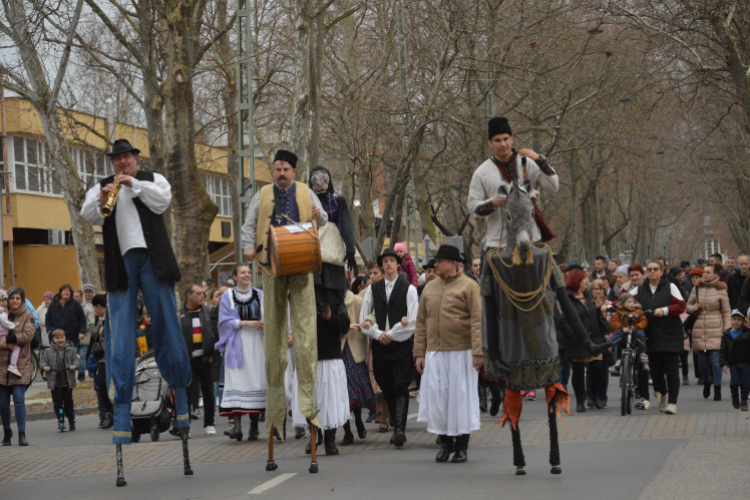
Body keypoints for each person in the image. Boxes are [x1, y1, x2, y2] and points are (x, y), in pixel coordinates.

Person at [80, 138, 192, 485]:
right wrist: (103, 198)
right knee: (123, 337)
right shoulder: (101, 187)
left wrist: (135, 184)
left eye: (126, 158)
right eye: (117, 160)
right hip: (121, 265)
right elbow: (87, 216)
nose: (122, 164)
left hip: (154, 262)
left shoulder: (152, 178)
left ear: (134, 159)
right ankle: (123, 416)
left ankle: (181, 403)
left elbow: (163, 203)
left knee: (166, 328)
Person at [241, 149, 327, 440]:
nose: (280, 173)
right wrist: (248, 247)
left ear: (294, 172)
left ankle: (307, 406)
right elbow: (249, 224)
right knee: (275, 336)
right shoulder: (263, 194)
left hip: (302, 266)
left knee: (305, 338)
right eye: (277, 168)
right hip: (271, 266)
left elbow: (324, 219)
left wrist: (319, 215)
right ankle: (276, 413)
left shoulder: (306, 192)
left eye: (285, 169)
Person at [415, 245, 482, 463]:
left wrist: (478, 352)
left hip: (461, 352)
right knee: (438, 399)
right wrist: (419, 353)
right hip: (435, 352)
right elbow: (421, 322)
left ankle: (461, 446)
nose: (435, 265)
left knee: (460, 400)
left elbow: (477, 321)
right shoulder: (429, 288)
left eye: (440, 261)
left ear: (453, 263)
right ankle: (444, 444)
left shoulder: (470, 286)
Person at [467, 117, 559, 251]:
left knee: (553, 271)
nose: (503, 144)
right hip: (498, 244)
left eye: (505, 139)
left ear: (512, 139)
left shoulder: (529, 163)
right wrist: (492, 203)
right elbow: (472, 207)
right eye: (497, 140)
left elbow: (553, 187)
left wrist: (540, 160)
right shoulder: (481, 173)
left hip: (532, 241)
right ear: (490, 143)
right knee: (484, 273)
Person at [360, 248, 418, 448]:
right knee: (386, 385)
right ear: (382, 266)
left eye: (392, 260)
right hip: (380, 347)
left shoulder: (408, 289)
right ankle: (396, 425)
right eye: (385, 261)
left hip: (401, 345)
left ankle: (400, 429)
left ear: (397, 264)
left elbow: (412, 322)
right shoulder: (372, 289)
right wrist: (378, 334)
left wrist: (391, 334)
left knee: (401, 385)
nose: (388, 264)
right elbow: (363, 319)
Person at [216, 265, 266, 442]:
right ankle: (237, 427)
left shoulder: (260, 295)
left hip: (256, 343)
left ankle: (254, 427)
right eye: (242, 272)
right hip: (236, 343)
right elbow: (223, 322)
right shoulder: (228, 296)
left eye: (248, 272)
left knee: (255, 380)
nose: (247, 275)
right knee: (236, 381)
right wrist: (245, 323)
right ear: (235, 277)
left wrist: (264, 323)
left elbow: (268, 315)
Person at [632, 261, 686, 415]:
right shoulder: (639, 290)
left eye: (655, 269)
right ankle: (662, 393)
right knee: (655, 372)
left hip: (671, 333)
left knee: (672, 370)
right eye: (649, 269)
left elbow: (681, 306)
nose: (652, 272)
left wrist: (665, 310)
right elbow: (625, 300)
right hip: (651, 335)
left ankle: (672, 403)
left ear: (662, 272)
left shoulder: (670, 286)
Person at [686, 262, 731, 401]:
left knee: (716, 361)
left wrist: (727, 330)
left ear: (716, 275)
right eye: (704, 272)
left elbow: (726, 312)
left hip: (716, 326)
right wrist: (692, 308)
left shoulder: (721, 290)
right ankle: (706, 383)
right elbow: (688, 305)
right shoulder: (697, 288)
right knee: (703, 363)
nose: (704, 274)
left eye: (708, 272)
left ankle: (717, 388)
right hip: (699, 326)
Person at [565, 270, 609, 412]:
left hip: (595, 338)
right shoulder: (567, 298)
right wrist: (574, 336)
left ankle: (595, 397)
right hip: (578, 340)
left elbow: (594, 315)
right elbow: (563, 321)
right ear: (577, 282)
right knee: (578, 373)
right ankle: (580, 400)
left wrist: (596, 308)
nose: (587, 282)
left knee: (597, 369)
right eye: (584, 280)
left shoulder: (589, 295)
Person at [339, 285, 376, 446]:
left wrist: (368, 321)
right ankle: (347, 431)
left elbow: (372, 313)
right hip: (337, 352)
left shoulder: (357, 300)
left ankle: (359, 421)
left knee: (356, 388)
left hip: (355, 352)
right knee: (342, 392)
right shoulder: (330, 302)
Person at [0, 287, 36, 446]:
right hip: (1, 367)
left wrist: (9, 340)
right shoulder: (2, 315)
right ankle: (7, 432)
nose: (14, 301)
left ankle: (22, 433)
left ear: (22, 300)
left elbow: (28, 335)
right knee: (2, 403)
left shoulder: (28, 317)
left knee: (19, 399)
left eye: (17, 298)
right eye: (12, 298)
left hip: (19, 366)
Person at [180, 284, 217, 435]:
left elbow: (215, 333)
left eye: (203, 293)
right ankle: (185, 426)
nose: (203, 296)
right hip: (188, 360)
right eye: (199, 293)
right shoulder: (180, 314)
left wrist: (213, 354)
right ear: (189, 296)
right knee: (189, 392)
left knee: (208, 392)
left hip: (205, 359)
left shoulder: (209, 312)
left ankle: (209, 423)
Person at [40, 329, 81, 432]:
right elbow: (42, 361)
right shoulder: (48, 351)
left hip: (67, 381)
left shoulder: (71, 350)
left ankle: (71, 420)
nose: (60, 340)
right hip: (55, 381)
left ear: (65, 338)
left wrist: (74, 366)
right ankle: (60, 419)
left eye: (62, 338)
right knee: (57, 403)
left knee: (68, 402)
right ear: (53, 340)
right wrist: (45, 367)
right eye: (57, 338)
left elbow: (77, 360)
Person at [610, 294, 650, 372]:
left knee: (641, 335)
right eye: (629, 302)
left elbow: (644, 321)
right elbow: (614, 322)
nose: (632, 303)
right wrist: (622, 327)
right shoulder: (619, 311)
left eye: (633, 302)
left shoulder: (638, 311)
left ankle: (643, 355)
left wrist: (636, 327)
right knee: (618, 334)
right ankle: (611, 347)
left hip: (634, 331)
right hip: (624, 331)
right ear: (623, 303)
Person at [90, 294, 113, 429]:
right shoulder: (98, 319)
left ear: (99, 306)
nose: (94, 311)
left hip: (113, 356)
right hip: (102, 357)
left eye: (94, 308)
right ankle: (110, 413)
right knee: (102, 385)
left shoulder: (111, 317)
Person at [720, 310, 750, 411]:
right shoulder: (727, 335)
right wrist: (723, 363)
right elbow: (723, 350)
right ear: (731, 320)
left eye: (739, 319)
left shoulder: (747, 333)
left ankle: (744, 401)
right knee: (734, 383)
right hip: (733, 363)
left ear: (743, 321)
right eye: (734, 319)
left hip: (745, 362)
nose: (736, 322)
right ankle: (735, 396)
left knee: (745, 383)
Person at [45, 284, 86, 354]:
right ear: (60, 293)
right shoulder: (54, 304)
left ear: (71, 293)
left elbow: (82, 319)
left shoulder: (75, 304)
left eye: (68, 291)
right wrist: (48, 329)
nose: (66, 292)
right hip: (56, 338)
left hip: (71, 338)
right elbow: (47, 317)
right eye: (64, 291)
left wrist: (82, 332)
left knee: (71, 359)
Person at [74, 288, 96, 382]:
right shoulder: (70, 308)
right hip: (73, 337)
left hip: (84, 337)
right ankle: (74, 372)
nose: (75, 298)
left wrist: (81, 328)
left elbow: (92, 323)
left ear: (81, 297)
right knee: (74, 355)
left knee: (82, 355)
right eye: (74, 296)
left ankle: (81, 373)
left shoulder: (87, 309)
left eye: (77, 296)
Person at [0, 291, 21, 378]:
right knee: (16, 348)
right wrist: (14, 325)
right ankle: (13, 365)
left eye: (5, 300)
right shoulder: (1, 313)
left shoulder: (3, 311)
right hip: (2, 337)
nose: (4, 303)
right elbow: (5, 323)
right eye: (2, 300)